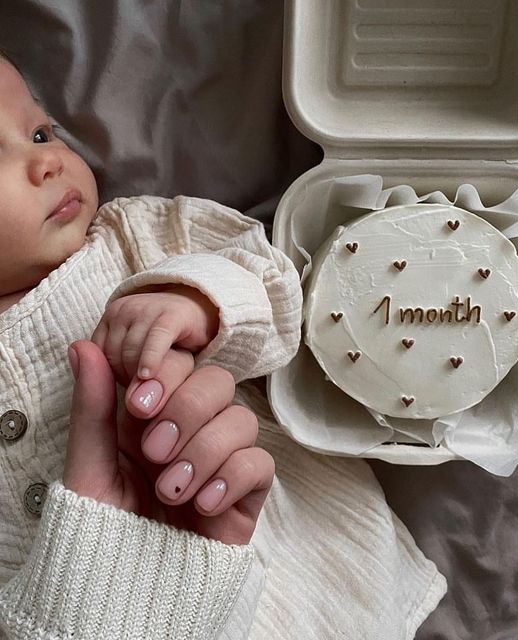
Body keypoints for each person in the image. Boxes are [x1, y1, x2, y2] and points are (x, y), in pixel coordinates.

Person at [0, 52, 447, 639]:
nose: (47, 163)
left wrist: (198, 302)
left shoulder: (134, 236)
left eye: (39, 131)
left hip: (306, 567)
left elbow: (276, 281)